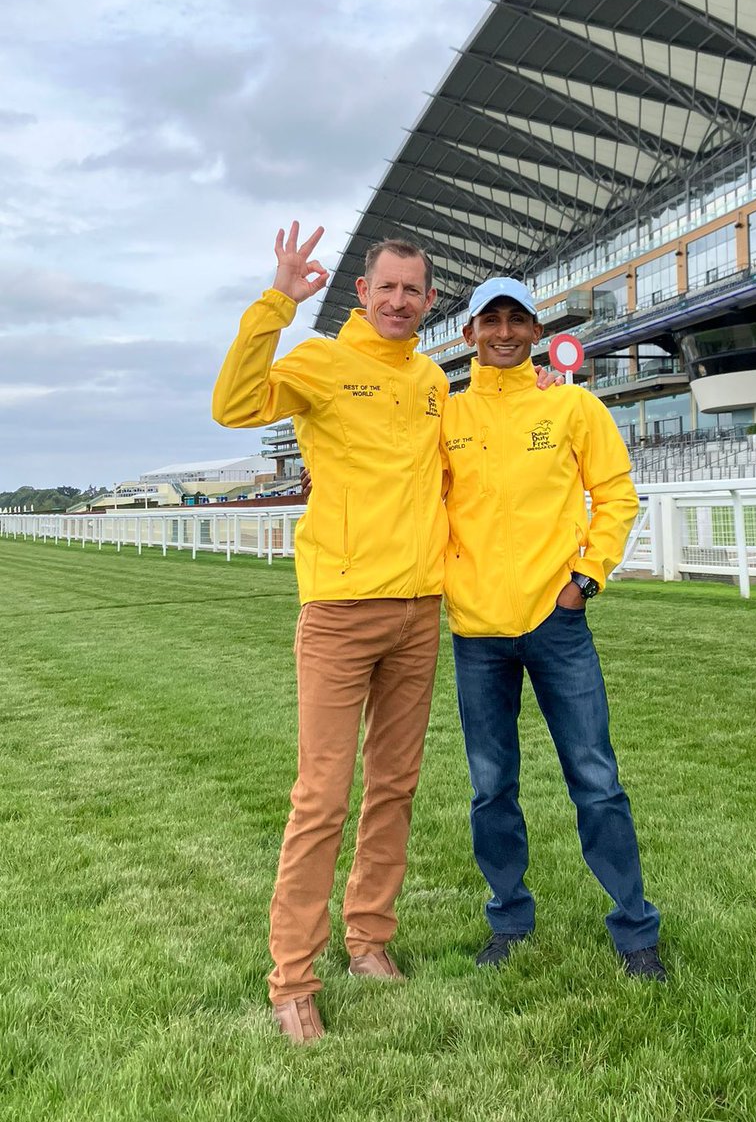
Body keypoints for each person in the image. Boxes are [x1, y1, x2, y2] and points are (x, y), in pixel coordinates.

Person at [212, 223, 448, 1044]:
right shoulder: (317, 359)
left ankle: (370, 939)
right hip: (342, 612)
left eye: (411, 290)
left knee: (395, 785)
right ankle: (291, 977)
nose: (397, 301)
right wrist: (278, 298)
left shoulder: (429, 378)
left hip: (421, 610)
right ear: (361, 292)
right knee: (321, 797)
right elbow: (234, 405)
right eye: (385, 287)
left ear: (428, 301)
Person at [441, 276, 666, 980]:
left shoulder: (573, 406)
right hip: (476, 631)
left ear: (537, 332)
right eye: (491, 321)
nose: (504, 332)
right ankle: (508, 920)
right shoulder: (445, 417)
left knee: (596, 779)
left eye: (517, 320)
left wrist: (586, 579)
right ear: (468, 334)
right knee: (491, 786)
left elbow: (617, 494)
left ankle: (635, 932)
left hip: (556, 620)